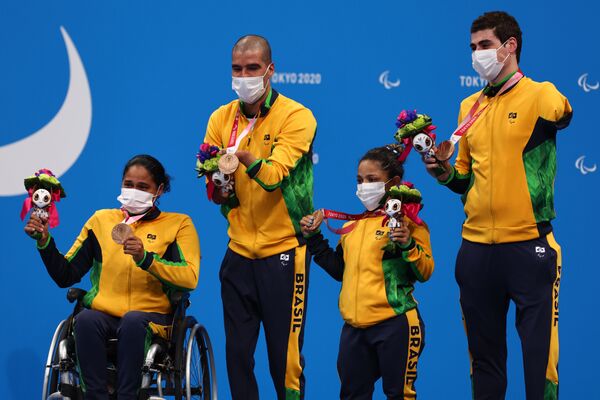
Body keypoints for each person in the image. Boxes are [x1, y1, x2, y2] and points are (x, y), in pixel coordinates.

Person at [423, 11, 572, 400]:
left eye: (485, 46)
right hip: (475, 252)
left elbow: (565, 114)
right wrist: (441, 171)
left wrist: (550, 100)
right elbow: (463, 179)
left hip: (529, 247)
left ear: (510, 47)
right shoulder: (468, 106)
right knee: (484, 365)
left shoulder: (539, 95)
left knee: (539, 365)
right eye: (473, 47)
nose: (477, 54)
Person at [25, 155, 200, 400]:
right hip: (105, 314)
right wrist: (44, 242)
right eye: (128, 184)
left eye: (143, 187)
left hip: (152, 316)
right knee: (85, 320)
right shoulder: (100, 221)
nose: (133, 192)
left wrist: (146, 259)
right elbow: (66, 274)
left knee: (132, 321)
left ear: (159, 190)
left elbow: (189, 277)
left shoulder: (179, 224)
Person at [202, 34, 317, 399]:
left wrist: (243, 155)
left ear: (270, 70)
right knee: (236, 357)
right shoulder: (220, 118)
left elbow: (272, 177)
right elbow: (218, 190)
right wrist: (219, 184)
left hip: (283, 252)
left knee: (282, 362)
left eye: (252, 68)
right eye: (237, 69)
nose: (244, 76)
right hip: (239, 253)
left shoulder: (297, 117)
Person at [301, 145, 434, 399]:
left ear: (393, 182)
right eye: (360, 180)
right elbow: (340, 270)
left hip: (396, 324)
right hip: (354, 330)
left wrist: (408, 244)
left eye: (372, 180)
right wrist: (314, 239)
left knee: (399, 395)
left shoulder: (408, 224)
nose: (364, 186)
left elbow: (425, 271)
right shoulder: (353, 224)